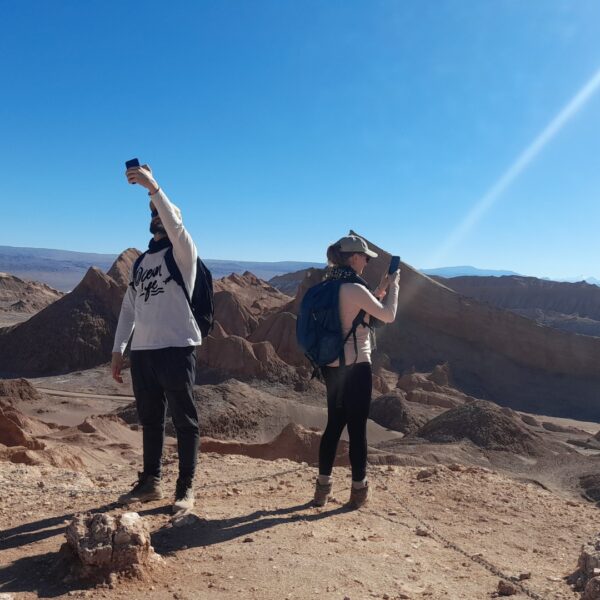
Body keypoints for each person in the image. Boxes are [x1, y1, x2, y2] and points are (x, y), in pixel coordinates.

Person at [111, 164, 201, 514]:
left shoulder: (184, 253)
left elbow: (175, 224)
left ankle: (185, 486)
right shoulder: (143, 261)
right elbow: (129, 307)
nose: (157, 217)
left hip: (177, 348)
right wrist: (119, 349)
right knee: (150, 420)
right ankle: (151, 483)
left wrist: (153, 188)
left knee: (184, 420)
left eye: (161, 213)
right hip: (145, 353)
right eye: (153, 215)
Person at [313, 235, 400, 509]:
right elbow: (388, 316)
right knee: (357, 429)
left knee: (334, 425)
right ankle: (358, 490)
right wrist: (395, 286)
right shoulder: (353, 287)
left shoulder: (329, 284)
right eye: (364, 257)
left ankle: (322, 490)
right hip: (357, 366)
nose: (367, 261)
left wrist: (381, 287)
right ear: (352, 257)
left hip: (331, 367)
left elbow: (357, 310)